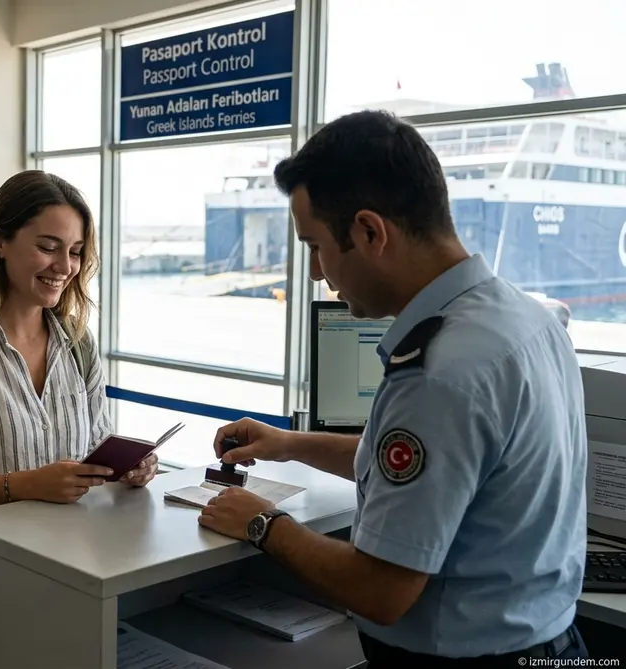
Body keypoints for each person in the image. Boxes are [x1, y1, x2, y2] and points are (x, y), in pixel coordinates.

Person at [198, 110, 589, 666]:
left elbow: (380, 591)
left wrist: (262, 523)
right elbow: (445, 472)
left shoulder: (440, 371)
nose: (315, 272)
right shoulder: (525, 319)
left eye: (315, 246)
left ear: (369, 232)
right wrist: (287, 443)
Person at [0, 170, 160, 669]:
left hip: (60, 581)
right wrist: (25, 485)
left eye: (77, 251)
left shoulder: (78, 343)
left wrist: (129, 466)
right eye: (48, 247)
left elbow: (97, 440)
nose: (65, 266)